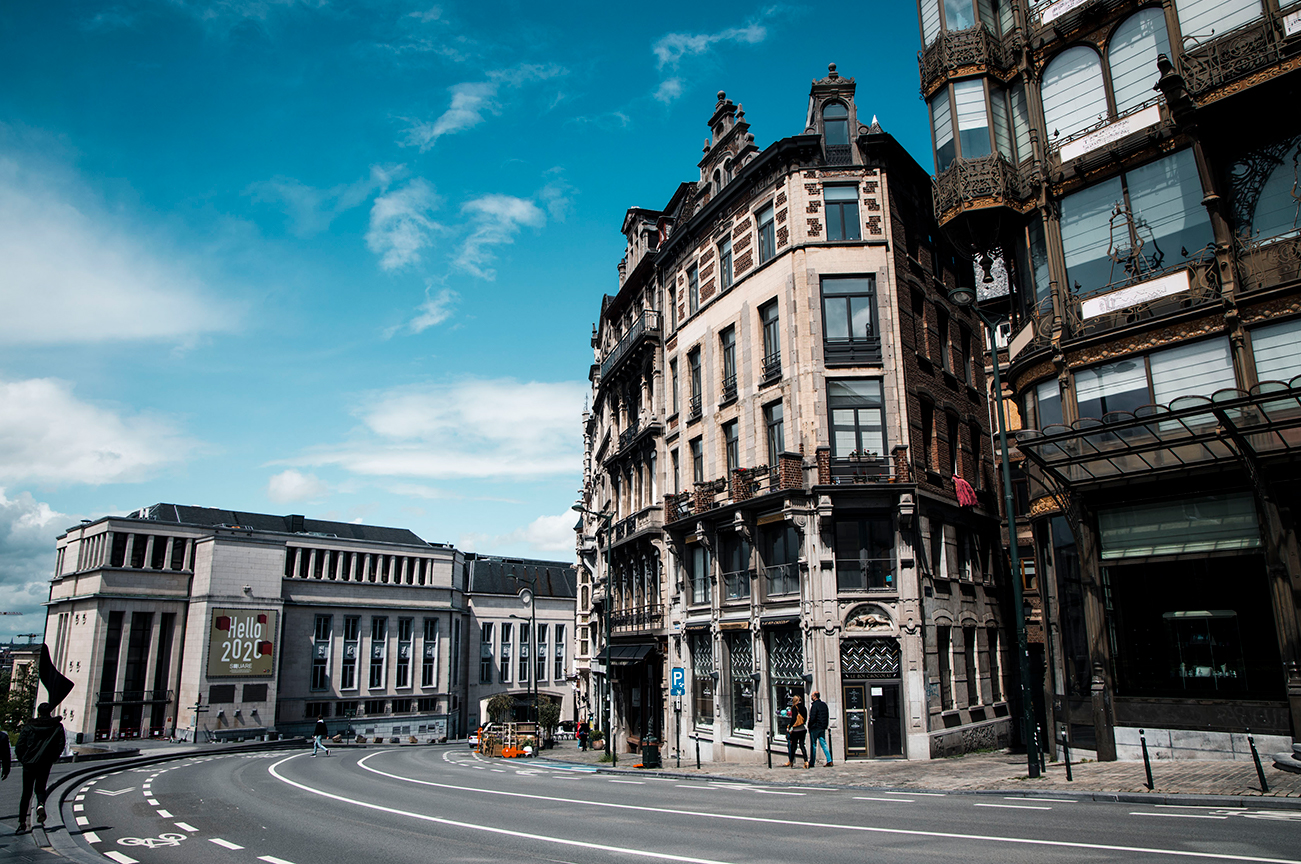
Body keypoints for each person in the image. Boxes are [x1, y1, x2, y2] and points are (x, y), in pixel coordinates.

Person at [15, 703, 65, 832]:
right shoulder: (57, 726)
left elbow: (19, 745)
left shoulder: (29, 727)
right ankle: (40, 805)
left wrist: (23, 759)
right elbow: (61, 744)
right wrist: (53, 758)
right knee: (41, 788)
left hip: (29, 763)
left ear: (38, 712)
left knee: (26, 792)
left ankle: (22, 823)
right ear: (50, 712)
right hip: (45, 762)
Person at [807, 691, 832, 767]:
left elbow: (812, 717)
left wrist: (809, 725)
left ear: (815, 696)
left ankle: (812, 762)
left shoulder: (814, 705)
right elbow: (826, 716)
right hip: (822, 727)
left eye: (812, 696)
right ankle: (829, 760)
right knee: (823, 743)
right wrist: (825, 725)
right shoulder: (824, 705)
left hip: (815, 727)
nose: (811, 697)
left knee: (813, 745)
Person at [783, 694, 807, 768]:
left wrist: (790, 726)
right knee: (802, 745)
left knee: (793, 746)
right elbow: (805, 718)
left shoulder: (794, 707)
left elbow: (794, 719)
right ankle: (806, 761)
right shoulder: (803, 707)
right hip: (803, 729)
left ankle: (791, 761)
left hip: (796, 730)